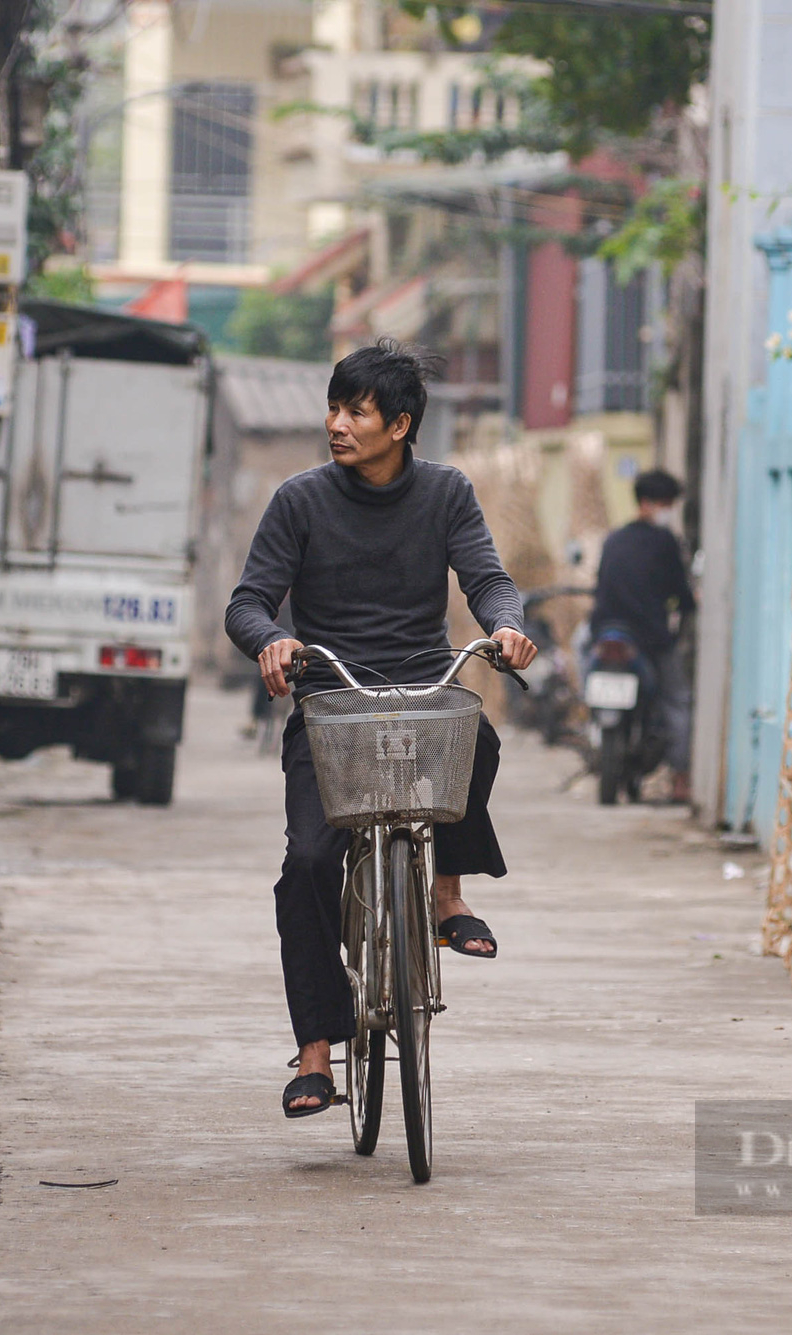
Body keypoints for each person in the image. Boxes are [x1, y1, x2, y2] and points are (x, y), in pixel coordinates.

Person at [224, 340, 537, 1119]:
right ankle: (316, 1052)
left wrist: (505, 626)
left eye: (354, 411)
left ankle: (444, 894)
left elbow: (488, 578)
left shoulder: (447, 494)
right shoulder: (299, 500)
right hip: (332, 703)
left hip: (423, 689)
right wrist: (273, 639)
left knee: (481, 742)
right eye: (332, 407)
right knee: (307, 865)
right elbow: (248, 601)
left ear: (398, 424)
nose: (336, 423)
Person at [587, 468, 696, 805]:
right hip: (650, 639)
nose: (669, 510)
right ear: (649, 503)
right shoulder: (665, 542)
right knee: (677, 700)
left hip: (605, 632)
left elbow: (601, 583)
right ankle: (681, 780)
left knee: (580, 660)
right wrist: (689, 605)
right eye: (667, 503)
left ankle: (588, 722)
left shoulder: (614, 538)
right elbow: (680, 592)